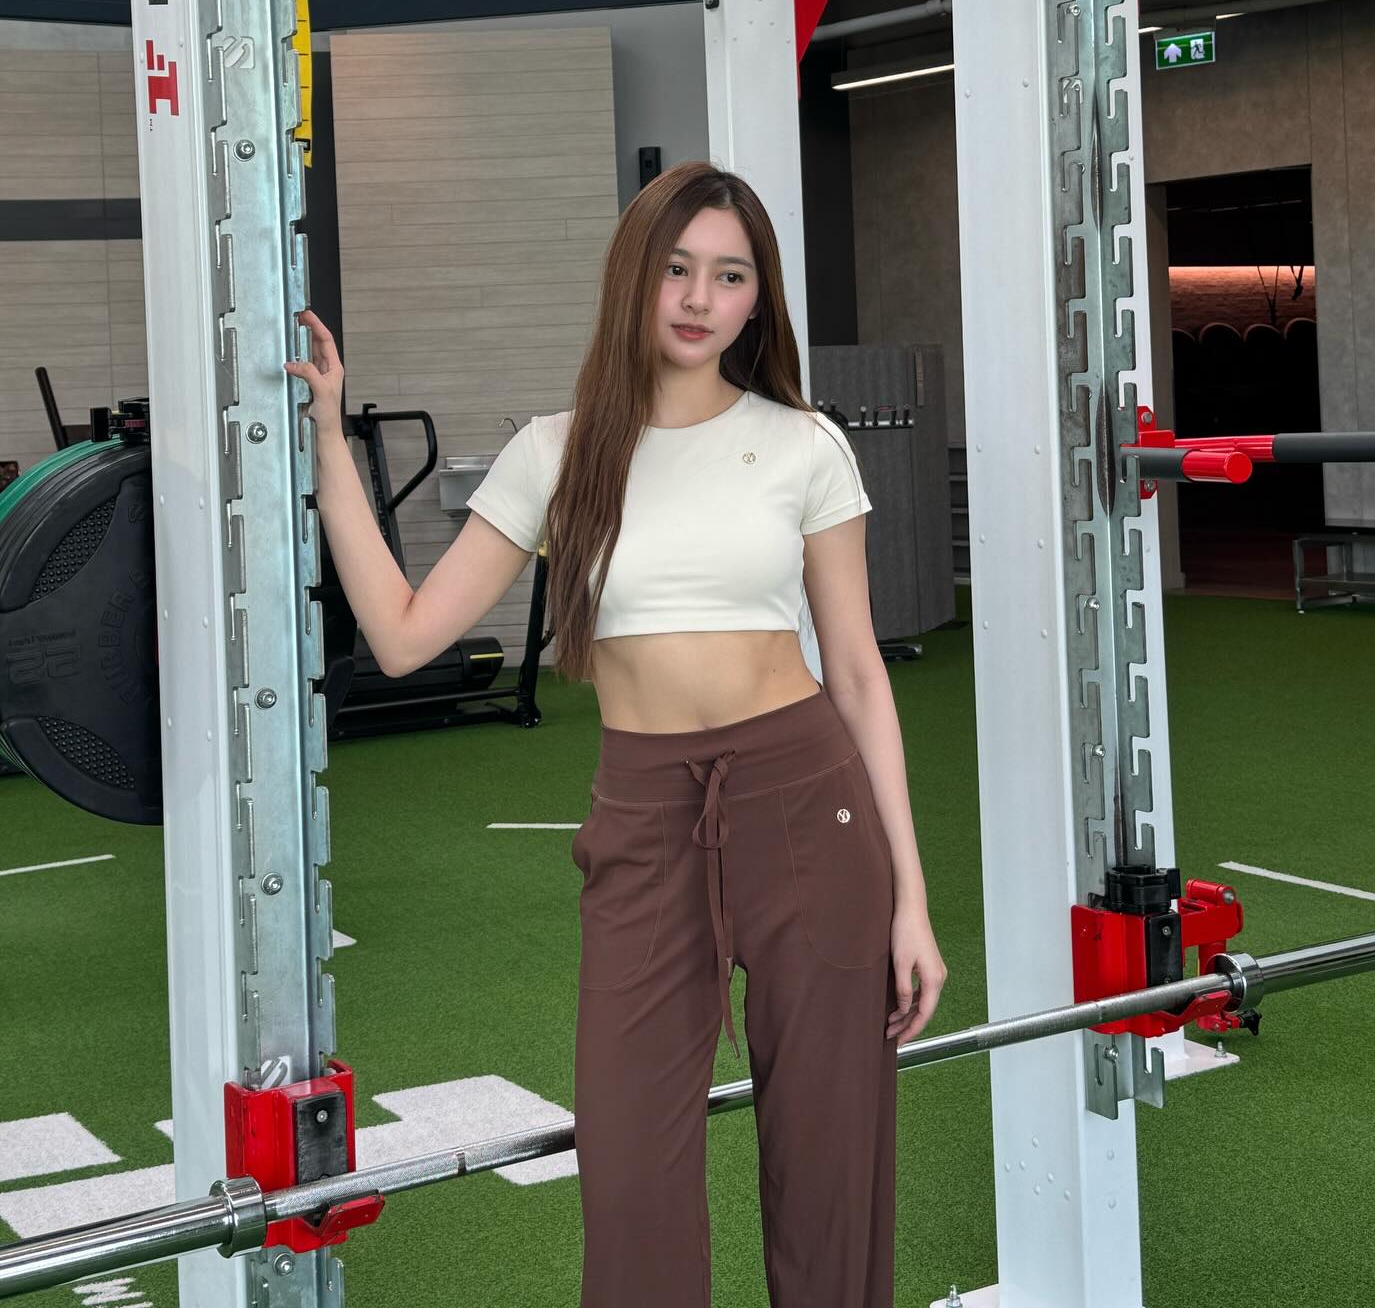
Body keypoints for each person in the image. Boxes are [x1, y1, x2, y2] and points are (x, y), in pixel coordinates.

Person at [286, 158, 946, 1307]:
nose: (699, 298)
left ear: (758, 299)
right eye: (678, 268)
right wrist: (331, 444)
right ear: (634, 277)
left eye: (730, 275)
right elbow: (398, 636)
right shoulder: (557, 451)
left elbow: (855, 671)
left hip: (809, 800)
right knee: (632, 1175)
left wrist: (911, 900)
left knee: (831, 1168)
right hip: (644, 817)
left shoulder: (804, 444)